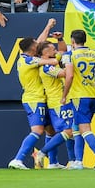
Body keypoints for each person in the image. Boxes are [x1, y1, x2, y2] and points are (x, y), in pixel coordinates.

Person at [8, 18, 60, 169]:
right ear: (32, 49)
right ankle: (18, 159)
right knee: (37, 130)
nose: (40, 45)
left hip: (42, 99)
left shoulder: (29, 56)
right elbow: (51, 62)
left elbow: (40, 40)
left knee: (51, 130)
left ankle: (53, 162)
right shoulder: (27, 61)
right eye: (37, 46)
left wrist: (48, 26)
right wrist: (53, 57)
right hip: (34, 99)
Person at [61, 29, 95, 170]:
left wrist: (64, 95)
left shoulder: (70, 55)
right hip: (93, 94)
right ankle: (78, 161)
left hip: (79, 95)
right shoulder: (94, 54)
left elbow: (70, 76)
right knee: (77, 128)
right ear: (85, 40)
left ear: (72, 41)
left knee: (84, 129)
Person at [32, 37, 78, 169]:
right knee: (69, 131)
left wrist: (60, 39)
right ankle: (41, 153)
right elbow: (64, 73)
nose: (56, 50)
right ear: (45, 53)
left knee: (69, 132)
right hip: (58, 102)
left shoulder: (52, 59)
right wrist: (69, 62)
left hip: (62, 100)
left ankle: (68, 161)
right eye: (53, 49)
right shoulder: (46, 67)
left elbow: (62, 50)